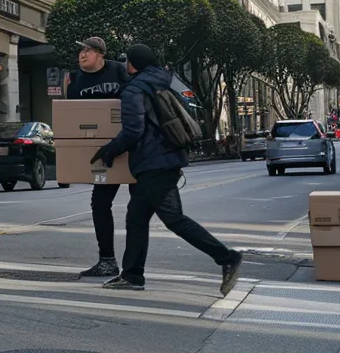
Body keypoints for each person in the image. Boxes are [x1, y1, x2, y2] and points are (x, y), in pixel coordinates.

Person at [93, 44, 243, 294]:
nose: (125, 65)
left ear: (133, 64)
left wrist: (109, 150)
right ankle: (132, 276)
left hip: (154, 163)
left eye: (127, 62)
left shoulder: (134, 89)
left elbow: (133, 131)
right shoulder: (166, 80)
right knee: (136, 219)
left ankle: (227, 257)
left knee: (174, 220)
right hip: (166, 158)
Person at [67, 37, 129, 279]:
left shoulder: (119, 71)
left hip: (131, 145)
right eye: (80, 51)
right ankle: (107, 260)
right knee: (100, 204)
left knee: (140, 207)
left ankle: (134, 267)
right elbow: (71, 118)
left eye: (88, 51)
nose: (82, 55)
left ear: (101, 54)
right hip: (102, 152)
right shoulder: (75, 81)